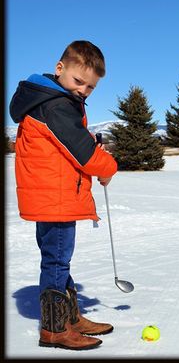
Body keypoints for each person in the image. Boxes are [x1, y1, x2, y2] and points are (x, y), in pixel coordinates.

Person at [9, 40, 118, 350]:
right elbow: (81, 151)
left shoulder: (53, 101)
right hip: (54, 198)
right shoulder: (55, 105)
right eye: (78, 81)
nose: (83, 89)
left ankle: (69, 317)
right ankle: (55, 329)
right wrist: (106, 165)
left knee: (58, 260)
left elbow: (70, 146)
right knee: (56, 262)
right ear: (60, 69)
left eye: (90, 87)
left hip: (52, 196)